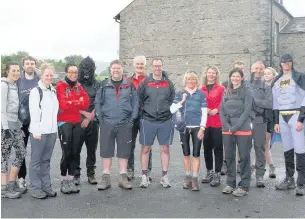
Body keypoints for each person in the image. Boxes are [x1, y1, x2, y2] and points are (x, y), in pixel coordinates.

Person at [95, 60, 139, 190]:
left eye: (118, 68)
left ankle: (123, 178)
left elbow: (135, 103)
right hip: (107, 123)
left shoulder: (129, 85)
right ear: (110, 69)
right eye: (114, 68)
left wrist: (132, 119)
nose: (116, 70)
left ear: (122, 69)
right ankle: (106, 178)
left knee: (124, 152)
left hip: (125, 123)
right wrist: (100, 118)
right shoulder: (103, 85)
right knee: (106, 151)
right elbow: (98, 102)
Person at [138, 58, 175, 188]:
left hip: (165, 121)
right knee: (146, 148)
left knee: (165, 149)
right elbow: (139, 99)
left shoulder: (169, 83)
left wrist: (167, 114)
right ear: (151, 67)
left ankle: (164, 176)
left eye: (159, 66)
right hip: (148, 120)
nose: (157, 68)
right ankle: (144, 176)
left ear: (162, 67)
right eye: (155, 66)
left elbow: (172, 100)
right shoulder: (145, 82)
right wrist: (145, 114)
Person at [272, 54, 305, 196]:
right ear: (280, 64)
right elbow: (274, 102)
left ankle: (301, 183)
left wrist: (301, 119)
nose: (285, 63)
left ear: (292, 62)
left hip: (296, 115)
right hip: (282, 117)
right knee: (287, 149)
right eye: (283, 62)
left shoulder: (299, 77)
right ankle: (289, 179)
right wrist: (276, 122)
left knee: (300, 149)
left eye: (288, 61)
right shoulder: (277, 80)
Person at [56, 62, 90, 194]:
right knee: (67, 152)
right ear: (66, 72)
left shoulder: (78, 86)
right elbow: (64, 105)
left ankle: (70, 180)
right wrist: (77, 102)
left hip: (77, 122)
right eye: (71, 72)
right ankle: (63, 180)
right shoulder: (60, 85)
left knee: (75, 152)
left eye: (75, 72)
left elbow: (86, 103)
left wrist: (73, 102)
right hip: (64, 122)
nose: (73, 74)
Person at [170, 71, 207, 191]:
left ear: (197, 81)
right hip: (184, 128)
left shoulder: (201, 94)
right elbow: (172, 109)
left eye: (193, 79)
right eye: (189, 79)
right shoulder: (180, 94)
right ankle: (187, 177)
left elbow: (205, 112)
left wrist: (202, 128)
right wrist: (182, 101)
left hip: (197, 127)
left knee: (196, 154)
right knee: (186, 153)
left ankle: (195, 179)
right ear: (185, 81)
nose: (191, 82)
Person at [220, 68, 253, 197]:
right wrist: (227, 126)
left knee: (244, 157)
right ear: (230, 77)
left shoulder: (247, 91)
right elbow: (221, 110)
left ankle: (244, 185)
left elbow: (247, 110)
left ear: (242, 77)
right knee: (229, 156)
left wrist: (236, 126)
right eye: (233, 76)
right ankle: (230, 183)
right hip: (227, 129)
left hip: (243, 128)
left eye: (237, 76)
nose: (235, 78)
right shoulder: (226, 91)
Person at [28, 63, 59, 199]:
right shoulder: (36, 91)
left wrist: (55, 130)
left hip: (51, 132)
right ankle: (36, 188)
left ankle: (46, 187)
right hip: (39, 132)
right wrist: (36, 131)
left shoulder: (53, 90)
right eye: (47, 75)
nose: (49, 77)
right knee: (36, 161)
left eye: (51, 75)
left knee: (46, 160)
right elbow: (34, 113)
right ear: (42, 75)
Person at [1, 62, 26, 199]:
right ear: (7, 71)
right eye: (13, 70)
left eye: (18, 70)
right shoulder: (3, 85)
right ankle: (3, 189)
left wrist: (19, 126)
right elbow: (2, 109)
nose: (16, 72)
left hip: (15, 125)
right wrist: (5, 129)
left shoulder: (14, 86)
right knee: (4, 157)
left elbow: (15, 109)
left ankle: (11, 184)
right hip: (5, 126)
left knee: (21, 152)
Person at [74, 57, 100, 185]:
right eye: (84, 68)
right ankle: (76, 174)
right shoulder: (75, 84)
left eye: (89, 69)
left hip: (93, 122)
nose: (86, 72)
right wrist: (84, 116)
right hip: (77, 121)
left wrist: (90, 117)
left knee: (92, 149)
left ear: (93, 70)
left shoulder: (97, 84)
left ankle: (91, 173)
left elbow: (99, 102)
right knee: (76, 149)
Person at [127, 56, 153, 181]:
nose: (140, 66)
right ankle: (129, 170)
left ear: (145, 65)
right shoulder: (127, 81)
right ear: (134, 66)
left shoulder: (151, 80)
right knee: (129, 145)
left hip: (146, 117)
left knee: (146, 145)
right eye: (137, 64)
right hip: (131, 117)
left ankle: (146, 171)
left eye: (142, 64)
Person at [17, 56, 40, 191]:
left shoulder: (40, 80)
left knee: (38, 153)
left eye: (32, 63)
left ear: (35, 65)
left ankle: (37, 179)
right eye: (27, 63)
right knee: (21, 151)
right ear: (23, 66)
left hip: (37, 123)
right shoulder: (18, 80)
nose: (30, 65)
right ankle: (21, 178)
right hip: (22, 123)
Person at [201, 66, 225, 187]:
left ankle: (217, 173)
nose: (211, 75)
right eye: (209, 72)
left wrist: (217, 109)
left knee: (218, 148)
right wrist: (206, 109)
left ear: (216, 75)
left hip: (217, 122)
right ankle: (209, 171)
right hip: (205, 123)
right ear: (206, 74)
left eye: (213, 73)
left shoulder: (221, 89)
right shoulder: (201, 90)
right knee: (206, 149)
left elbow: (225, 102)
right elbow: (198, 104)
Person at [249, 62, 273, 187]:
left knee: (260, 148)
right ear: (251, 69)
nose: (258, 71)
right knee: (244, 149)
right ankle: (245, 173)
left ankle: (259, 176)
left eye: (261, 69)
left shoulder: (266, 87)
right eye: (256, 68)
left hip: (260, 121)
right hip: (245, 121)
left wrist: (254, 101)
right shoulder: (244, 85)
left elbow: (269, 104)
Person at [221, 60, 245, 175]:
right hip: (228, 120)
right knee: (228, 144)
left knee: (241, 143)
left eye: (241, 69)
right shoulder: (225, 84)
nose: (238, 71)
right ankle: (226, 163)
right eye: (236, 68)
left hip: (242, 120)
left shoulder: (246, 85)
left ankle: (240, 164)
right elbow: (223, 103)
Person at [263, 67, 278, 178]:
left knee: (265, 145)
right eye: (265, 73)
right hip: (259, 119)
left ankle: (271, 167)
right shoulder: (260, 86)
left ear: (273, 75)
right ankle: (257, 166)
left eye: (269, 73)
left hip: (270, 119)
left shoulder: (276, 87)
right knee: (260, 145)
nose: (266, 75)